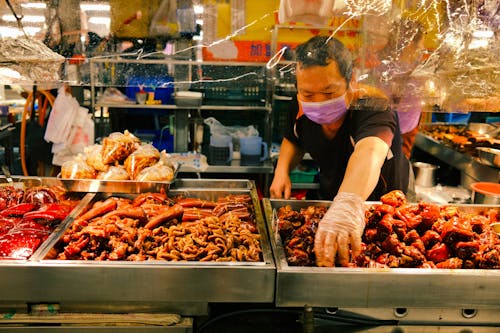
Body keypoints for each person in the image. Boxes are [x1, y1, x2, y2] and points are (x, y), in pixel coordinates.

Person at [269, 35, 410, 267]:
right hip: (334, 197)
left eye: (329, 92)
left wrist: (347, 206)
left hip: (383, 206)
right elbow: (293, 138)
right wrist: (282, 170)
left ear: (350, 80)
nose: (318, 101)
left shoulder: (373, 105)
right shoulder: (301, 104)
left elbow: (370, 151)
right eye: (308, 94)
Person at [373, 18, 427, 159]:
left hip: (393, 127)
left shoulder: (384, 64)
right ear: (409, 44)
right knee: (393, 169)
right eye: (421, 41)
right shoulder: (408, 69)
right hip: (397, 129)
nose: (422, 46)